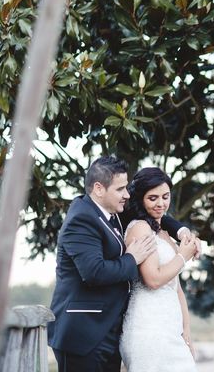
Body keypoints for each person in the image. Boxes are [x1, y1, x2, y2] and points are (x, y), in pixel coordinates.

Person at [48, 156, 198, 372]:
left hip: (110, 332)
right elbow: (94, 272)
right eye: (120, 189)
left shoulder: (113, 212)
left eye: (127, 188)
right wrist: (132, 259)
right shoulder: (81, 219)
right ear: (99, 189)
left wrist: (181, 230)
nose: (126, 195)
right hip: (83, 333)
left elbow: (153, 212)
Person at [119, 167, 198, 371]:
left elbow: (175, 285)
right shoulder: (139, 228)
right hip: (149, 327)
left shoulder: (162, 230)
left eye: (165, 196)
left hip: (170, 327)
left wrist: (186, 328)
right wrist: (183, 256)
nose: (161, 203)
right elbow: (153, 280)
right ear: (140, 199)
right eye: (152, 198)